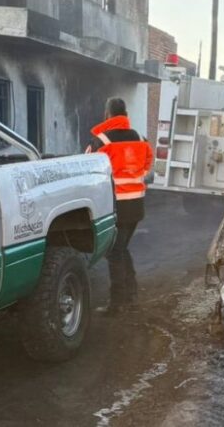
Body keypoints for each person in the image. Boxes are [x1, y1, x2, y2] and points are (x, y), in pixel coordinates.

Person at [86, 97, 154, 311]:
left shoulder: (102, 141)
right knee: (121, 248)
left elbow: (87, 168)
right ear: (125, 115)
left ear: (108, 114)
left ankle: (118, 303)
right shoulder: (140, 138)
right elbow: (146, 166)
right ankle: (131, 297)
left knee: (114, 252)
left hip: (115, 206)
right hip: (136, 205)